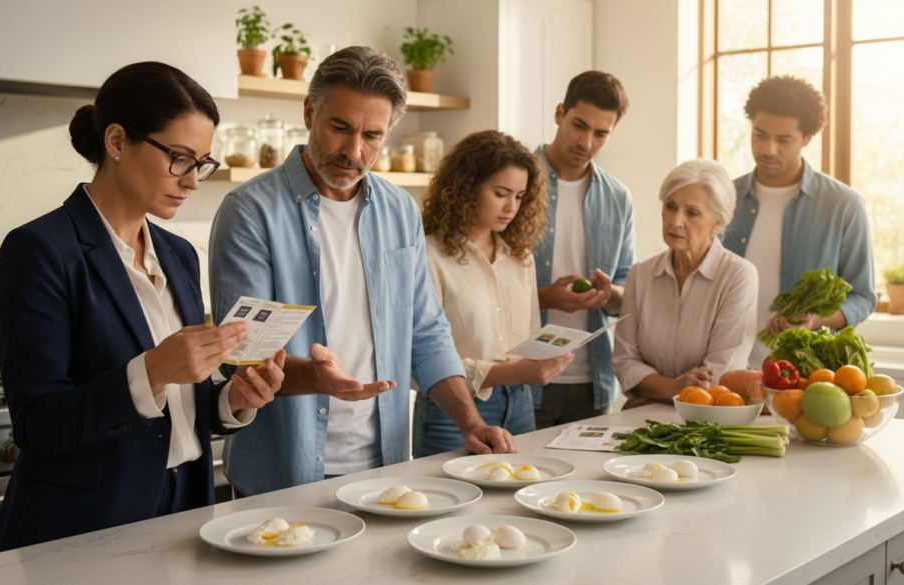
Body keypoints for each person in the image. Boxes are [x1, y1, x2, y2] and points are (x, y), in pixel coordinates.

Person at [0, 62, 287, 552]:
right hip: (82, 528)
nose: (193, 181)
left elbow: (180, 411)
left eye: (202, 162)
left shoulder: (178, 255)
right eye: (179, 157)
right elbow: (38, 427)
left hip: (186, 510)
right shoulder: (40, 250)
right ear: (117, 141)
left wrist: (232, 401)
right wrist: (151, 369)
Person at [208, 46, 517, 496]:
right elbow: (244, 352)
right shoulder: (250, 212)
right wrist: (318, 379)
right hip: (282, 474)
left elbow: (427, 332)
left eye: (373, 135)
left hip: (384, 470)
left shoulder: (399, 211)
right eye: (340, 127)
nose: (354, 151)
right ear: (310, 111)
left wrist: (470, 423)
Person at [414, 131, 573, 457]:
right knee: (452, 504)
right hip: (453, 413)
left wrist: (546, 357)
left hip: (521, 405)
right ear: (466, 187)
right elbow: (420, 360)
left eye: (519, 196)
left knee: (517, 502)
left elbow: (528, 337)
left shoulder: (520, 256)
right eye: (501, 193)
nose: (511, 207)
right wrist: (516, 372)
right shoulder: (429, 256)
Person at [723, 76, 875, 368]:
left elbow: (863, 296)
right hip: (726, 371)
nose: (768, 149)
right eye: (759, 134)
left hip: (805, 374)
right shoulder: (723, 197)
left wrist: (815, 320)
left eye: (784, 140)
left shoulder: (844, 204)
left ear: (807, 139)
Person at [533, 70, 635, 428]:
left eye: (601, 133)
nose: (586, 142)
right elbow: (484, 286)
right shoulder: (515, 182)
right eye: (579, 125)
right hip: (525, 378)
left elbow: (627, 293)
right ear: (560, 113)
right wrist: (546, 296)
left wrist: (609, 294)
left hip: (593, 384)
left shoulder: (618, 198)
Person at [611, 159, 758, 405]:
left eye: (692, 213)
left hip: (707, 423)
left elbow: (722, 373)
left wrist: (660, 387)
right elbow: (624, 362)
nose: (676, 221)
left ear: (717, 222)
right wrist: (675, 387)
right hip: (639, 420)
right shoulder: (640, 275)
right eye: (670, 206)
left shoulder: (739, 276)